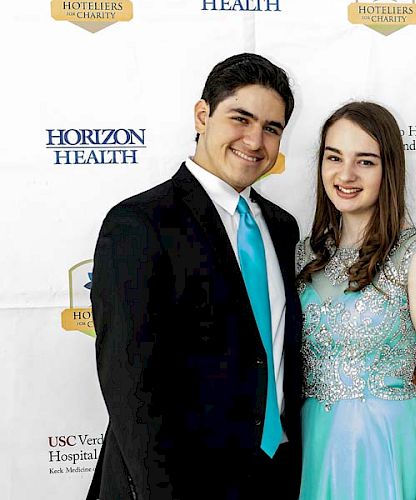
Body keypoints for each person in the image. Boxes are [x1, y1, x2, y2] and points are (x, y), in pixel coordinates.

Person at [87, 53, 303, 500]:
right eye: (240, 118)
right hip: (179, 484)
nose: (255, 140)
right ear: (203, 115)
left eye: (271, 128)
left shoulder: (282, 228)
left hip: (272, 479)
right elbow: (130, 388)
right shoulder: (140, 223)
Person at [296, 101, 416, 499]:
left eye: (365, 162)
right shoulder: (304, 255)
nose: (346, 174)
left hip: (389, 448)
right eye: (334, 157)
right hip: (315, 448)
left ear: (389, 170)